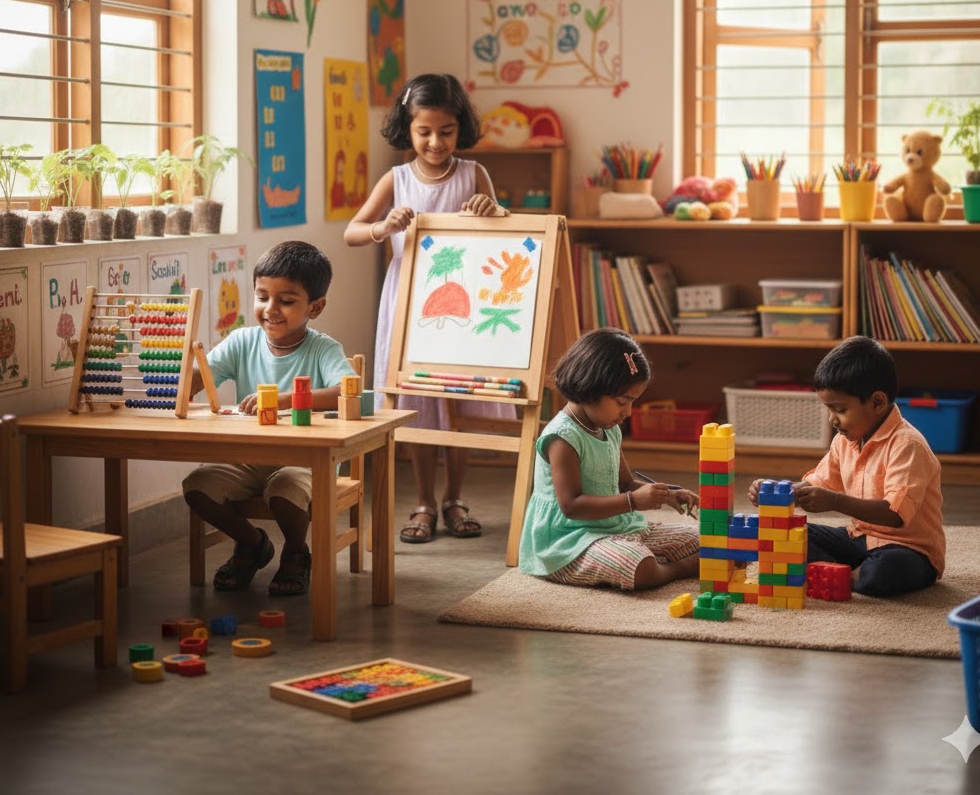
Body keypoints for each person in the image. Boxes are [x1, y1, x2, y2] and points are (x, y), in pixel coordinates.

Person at [345, 72, 514, 543]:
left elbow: (501, 229)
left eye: (446, 131)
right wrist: (384, 228)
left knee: (459, 399)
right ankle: (422, 501)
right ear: (408, 127)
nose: (435, 142)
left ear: (460, 129)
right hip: (408, 304)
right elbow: (352, 232)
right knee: (416, 403)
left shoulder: (472, 174)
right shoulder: (396, 178)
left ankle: (454, 498)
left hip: (463, 304)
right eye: (424, 131)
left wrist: (492, 211)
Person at [183, 241, 354, 596]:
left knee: (285, 488)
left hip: (307, 462)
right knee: (197, 485)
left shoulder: (323, 349)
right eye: (263, 297)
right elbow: (195, 384)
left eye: (286, 301)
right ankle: (252, 543)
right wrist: (183, 369)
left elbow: (346, 390)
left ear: (316, 307)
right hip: (249, 459)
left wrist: (285, 398)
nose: (270, 309)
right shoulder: (242, 341)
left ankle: (295, 550)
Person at [748, 335, 945, 598]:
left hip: (909, 549)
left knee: (882, 572)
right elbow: (818, 484)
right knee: (784, 531)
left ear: (877, 402)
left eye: (839, 409)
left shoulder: (908, 445)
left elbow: (894, 514)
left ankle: (848, 573)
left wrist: (836, 502)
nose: (833, 419)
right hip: (859, 539)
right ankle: (847, 573)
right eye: (829, 409)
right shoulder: (845, 441)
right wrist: (777, 492)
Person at [518, 328, 700, 590]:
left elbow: (626, 483)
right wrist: (634, 502)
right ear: (591, 387)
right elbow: (572, 506)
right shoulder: (562, 437)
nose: (628, 412)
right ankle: (674, 569)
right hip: (570, 539)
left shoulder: (609, 427)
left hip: (615, 527)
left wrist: (667, 494)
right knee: (639, 568)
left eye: (633, 402)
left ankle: (639, 555)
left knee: (700, 540)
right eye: (622, 401)